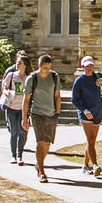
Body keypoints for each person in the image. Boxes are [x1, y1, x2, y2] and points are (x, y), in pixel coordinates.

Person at [70, 55, 102, 177]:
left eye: (91, 65)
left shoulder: (97, 76)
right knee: (90, 140)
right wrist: (84, 110)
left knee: (92, 141)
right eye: (87, 66)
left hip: (97, 112)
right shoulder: (79, 81)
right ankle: (95, 165)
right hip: (85, 115)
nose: (89, 68)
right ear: (82, 66)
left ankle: (85, 165)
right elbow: (74, 99)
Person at [21, 54, 61, 183]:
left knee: (48, 143)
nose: (47, 70)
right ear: (39, 66)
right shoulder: (32, 78)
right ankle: (42, 172)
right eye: (44, 68)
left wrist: (57, 112)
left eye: (49, 68)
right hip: (37, 113)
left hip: (51, 113)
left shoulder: (54, 77)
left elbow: (57, 96)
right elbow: (26, 99)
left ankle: (39, 164)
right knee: (40, 142)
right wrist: (24, 118)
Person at [1, 54, 31, 164]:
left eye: (20, 63)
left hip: (23, 109)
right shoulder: (11, 75)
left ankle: (20, 156)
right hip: (11, 107)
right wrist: (7, 92)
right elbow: (4, 88)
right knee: (13, 132)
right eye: (17, 62)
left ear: (25, 65)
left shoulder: (28, 78)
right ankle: (13, 156)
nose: (17, 64)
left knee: (22, 132)